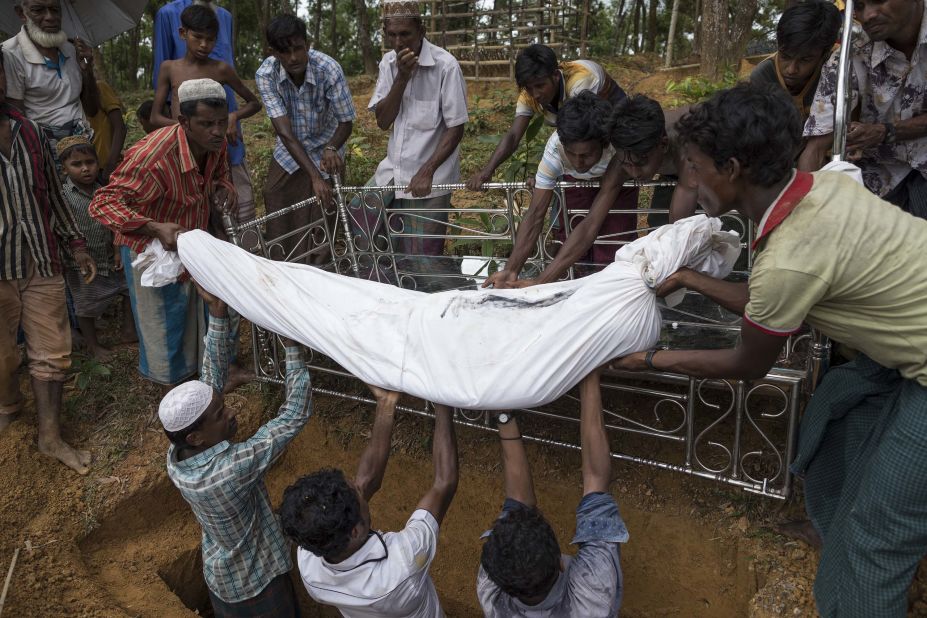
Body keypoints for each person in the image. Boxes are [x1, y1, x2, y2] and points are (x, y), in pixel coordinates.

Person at [612, 82, 927, 618]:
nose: (689, 179)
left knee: (879, 531)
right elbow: (774, 302)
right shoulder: (823, 189)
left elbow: (747, 363)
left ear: (731, 168)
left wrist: (645, 361)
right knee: (839, 440)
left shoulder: (789, 259)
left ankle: (865, 588)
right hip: (904, 348)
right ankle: (840, 556)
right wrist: (692, 277)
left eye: (693, 165)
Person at [159, 284, 309, 617]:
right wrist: (294, 349)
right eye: (220, 414)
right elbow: (293, 415)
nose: (231, 413)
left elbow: (210, 381)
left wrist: (217, 312)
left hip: (223, 583)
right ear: (196, 436)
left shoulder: (179, 458)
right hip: (260, 588)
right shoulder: (230, 470)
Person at [90, 78, 240, 389]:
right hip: (151, 247)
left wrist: (224, 187)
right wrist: (154, 227)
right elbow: (103, 203)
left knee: (209, 304)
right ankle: (176, 389)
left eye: (221, 122)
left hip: (192, 235)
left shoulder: (217, 141)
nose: (216, 131)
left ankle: (219, 372)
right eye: (206, 124)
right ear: (184, 122)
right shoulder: (153, 158)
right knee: (165, 321)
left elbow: (222, 170)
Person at [0, 45, 97, 475]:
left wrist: (75, 244)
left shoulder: (32, 132)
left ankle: (50, 436)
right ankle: (8, 405)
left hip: (41, 259)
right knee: (4, 358)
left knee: (53, 354)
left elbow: (54, 196)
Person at [280, 394, 459, 616]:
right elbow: (444, 483)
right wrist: (442, 402)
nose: (359, 484)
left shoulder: (310, 559)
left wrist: (386, 403)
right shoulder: (402, 563)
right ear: (355, 531)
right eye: (357, 492)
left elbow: (367, 481)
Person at [478, 370, 629, 616]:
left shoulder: (494, 595)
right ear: (561, 562)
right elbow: (596, 479)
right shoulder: (591, 594)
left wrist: (504, 415)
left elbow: (518, 502)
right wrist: (588, 370)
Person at [482, 92, 638, 288]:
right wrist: (511, 269)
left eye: (586, 155)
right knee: (572, 243)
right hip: (576, 184)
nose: (578, 161)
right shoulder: (555, 149)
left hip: (618, 187)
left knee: (613, 247)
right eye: (571, 153)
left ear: (604, 143)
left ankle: (614, 292)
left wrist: (541, 282)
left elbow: (591, 225)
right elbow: (536, 213)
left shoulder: (617, 148)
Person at [367, 0, 468, 285]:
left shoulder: (445, 66)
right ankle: (386, 288)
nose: (399, 42)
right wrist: (402, 78)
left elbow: (456, 127)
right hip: (393, 171)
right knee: (361, 216)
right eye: (392, 35)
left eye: (406, 34)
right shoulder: (389, 63)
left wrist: (428, 169)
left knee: (423, 256)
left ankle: (427, 307)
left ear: (421, 31)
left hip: (431, 178)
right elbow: (383, 121)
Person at [799, 0, 927, 218]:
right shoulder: (850, 54)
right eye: (858, 6)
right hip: (877, 180)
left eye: (878, 0)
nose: (868, 15)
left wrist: (884, 132)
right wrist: (804, 215)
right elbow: (816, 148)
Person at [255, 14, 355, 261]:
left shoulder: (328, 69)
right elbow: (284, 132)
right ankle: (283, 265)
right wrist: (313, 176)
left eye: (298, 49)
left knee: (325, 207)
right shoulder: (266, 74)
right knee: (275, 195)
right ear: (273, 52)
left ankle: (319, 268)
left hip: (327, 144)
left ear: (308, 44)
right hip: (290, 147)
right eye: (284, 51)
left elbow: (346, 121)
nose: (293, 58)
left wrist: (332, 147)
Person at [151, 5, 262, 221]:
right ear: (183, 34)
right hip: (180, 153)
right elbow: (155, 117)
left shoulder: (221, 69)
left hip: (215, 153)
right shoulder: (170, 68)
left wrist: (232, 117)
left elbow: (253, 103)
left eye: (210, 39)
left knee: (225, 215)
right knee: (190, 215)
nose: (204, 45)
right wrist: (186, 132)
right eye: (198, 37)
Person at [467, 44, 626, 190]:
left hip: (615, 131)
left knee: (609, 185)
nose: (535, 94)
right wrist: (487, 171)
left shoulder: (582, 80)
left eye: (540, 86)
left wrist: (543, 172)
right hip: (584, 149)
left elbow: (577, 127)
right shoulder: (529, 94)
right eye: (529, 88)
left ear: (556, 75)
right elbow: (514, 135)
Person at [56, 136, 135, 361]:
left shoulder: (104, 190)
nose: (85, 169)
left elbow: (114, 222)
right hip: (81, 261)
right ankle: (93, 345)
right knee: (86, 304)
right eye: (76, 164)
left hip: (109, 256)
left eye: (89, 162)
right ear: (64, 168)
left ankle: (129, 330)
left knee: (128, 289)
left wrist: (118, 249)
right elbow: (62, 229)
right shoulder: (63, 196)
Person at [4, 0, 99, 152]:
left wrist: (87, 71)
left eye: (55, 9)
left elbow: (93, 110)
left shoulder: (72, 48)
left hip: (83, 147)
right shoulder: (10, 54)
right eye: (38, 10)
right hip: (43, 152)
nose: (50, 17)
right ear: (21, 13)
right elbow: (15, 120)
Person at [750, 1, 841, 124]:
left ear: (825, 53)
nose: (791, 70)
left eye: (805, 60)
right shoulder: (763, 77)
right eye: (785, 56)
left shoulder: (840, 67)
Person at [83, 77, 127, 184]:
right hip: (83, 169)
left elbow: (120, 127)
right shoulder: (68, 97)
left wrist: (111, 164)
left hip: (104, 167)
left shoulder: (99, 88)